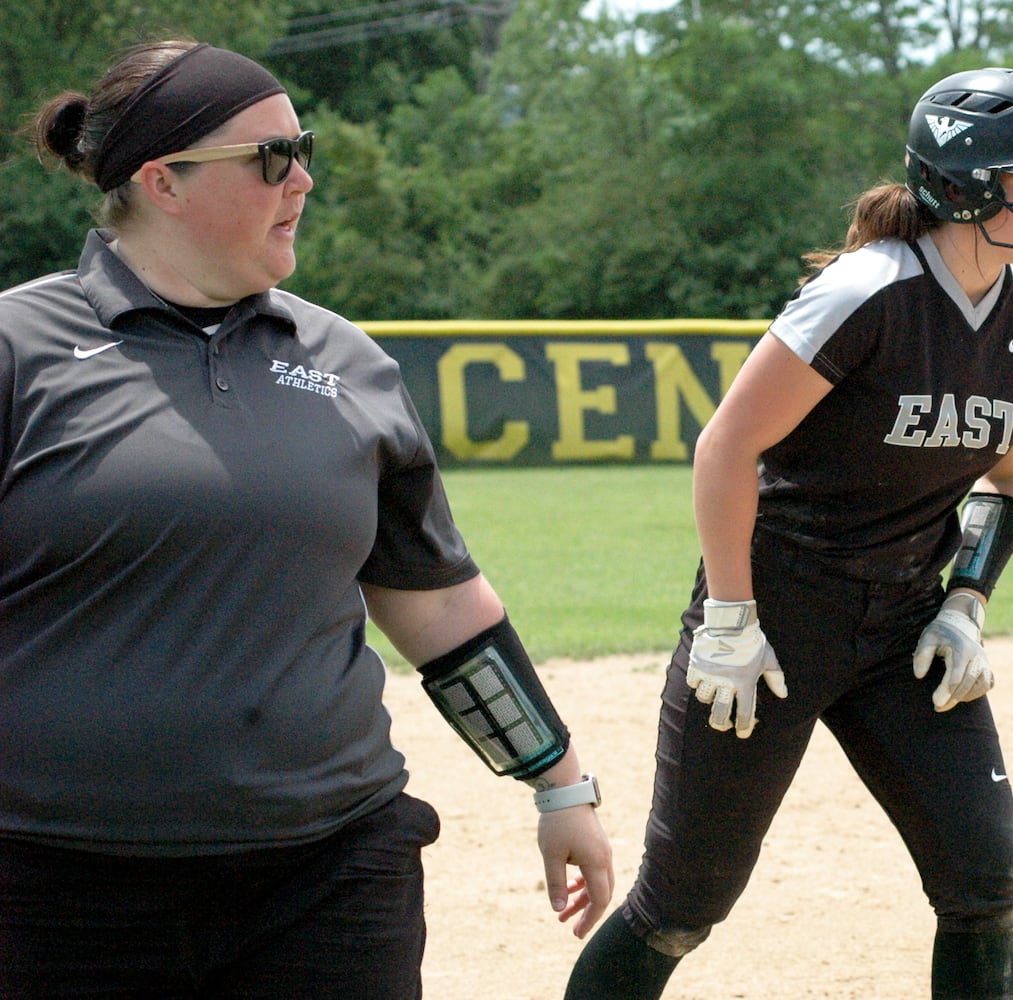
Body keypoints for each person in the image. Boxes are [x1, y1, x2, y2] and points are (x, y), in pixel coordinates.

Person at [0, 39, 612, 999]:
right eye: (273, 156)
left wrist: (558, 782)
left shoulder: (350, 363)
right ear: (163, 181)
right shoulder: (19, 351)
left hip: (331, 873)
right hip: (54, 887)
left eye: (303, 147)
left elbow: (441, 610)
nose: (306, 178)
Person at [564, 67, 1013, 1000]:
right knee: (683, 903)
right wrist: (731, 618)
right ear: (965, 183)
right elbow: (727, 446)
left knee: (985, 885)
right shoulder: (871, 291)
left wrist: (967, 604)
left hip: (905, 620)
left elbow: (1012, 476)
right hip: (779, 616)